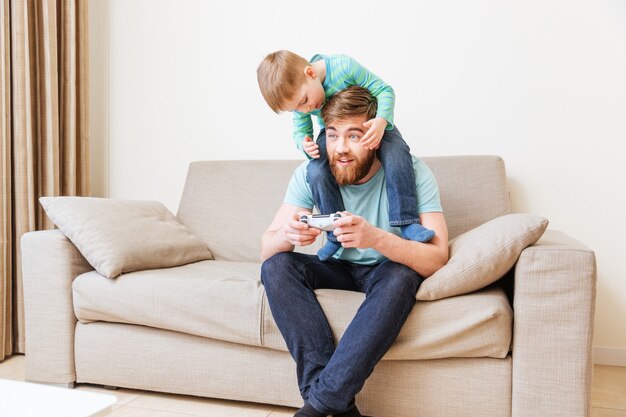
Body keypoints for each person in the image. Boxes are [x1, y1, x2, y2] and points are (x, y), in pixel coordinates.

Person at [260, 86, 449, 417]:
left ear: (375, 135)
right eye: (332, 136)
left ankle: (316, 407)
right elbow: (267, 247)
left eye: (354, 135)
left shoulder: (413, 172)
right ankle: (335, 404)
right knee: (276, 266)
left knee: (403, 274)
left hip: (385, 269)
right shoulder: (312, 172)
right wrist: (287, 234)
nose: (341, 148)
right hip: (335, 267)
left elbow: (437, 258)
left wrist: (376, 238)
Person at [257, 51, 435, 262]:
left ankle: (406, 222)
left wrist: (380, 122)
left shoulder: (344, 67)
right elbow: (301, 131)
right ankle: (335, 233)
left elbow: (384, 90)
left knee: (396, 156)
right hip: (332, 128)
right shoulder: (301, 102)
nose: (305, 110)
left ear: (311, 73)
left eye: (304, 101)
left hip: (374, 124)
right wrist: (304, 144)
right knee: (315, 170)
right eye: (297, 108)